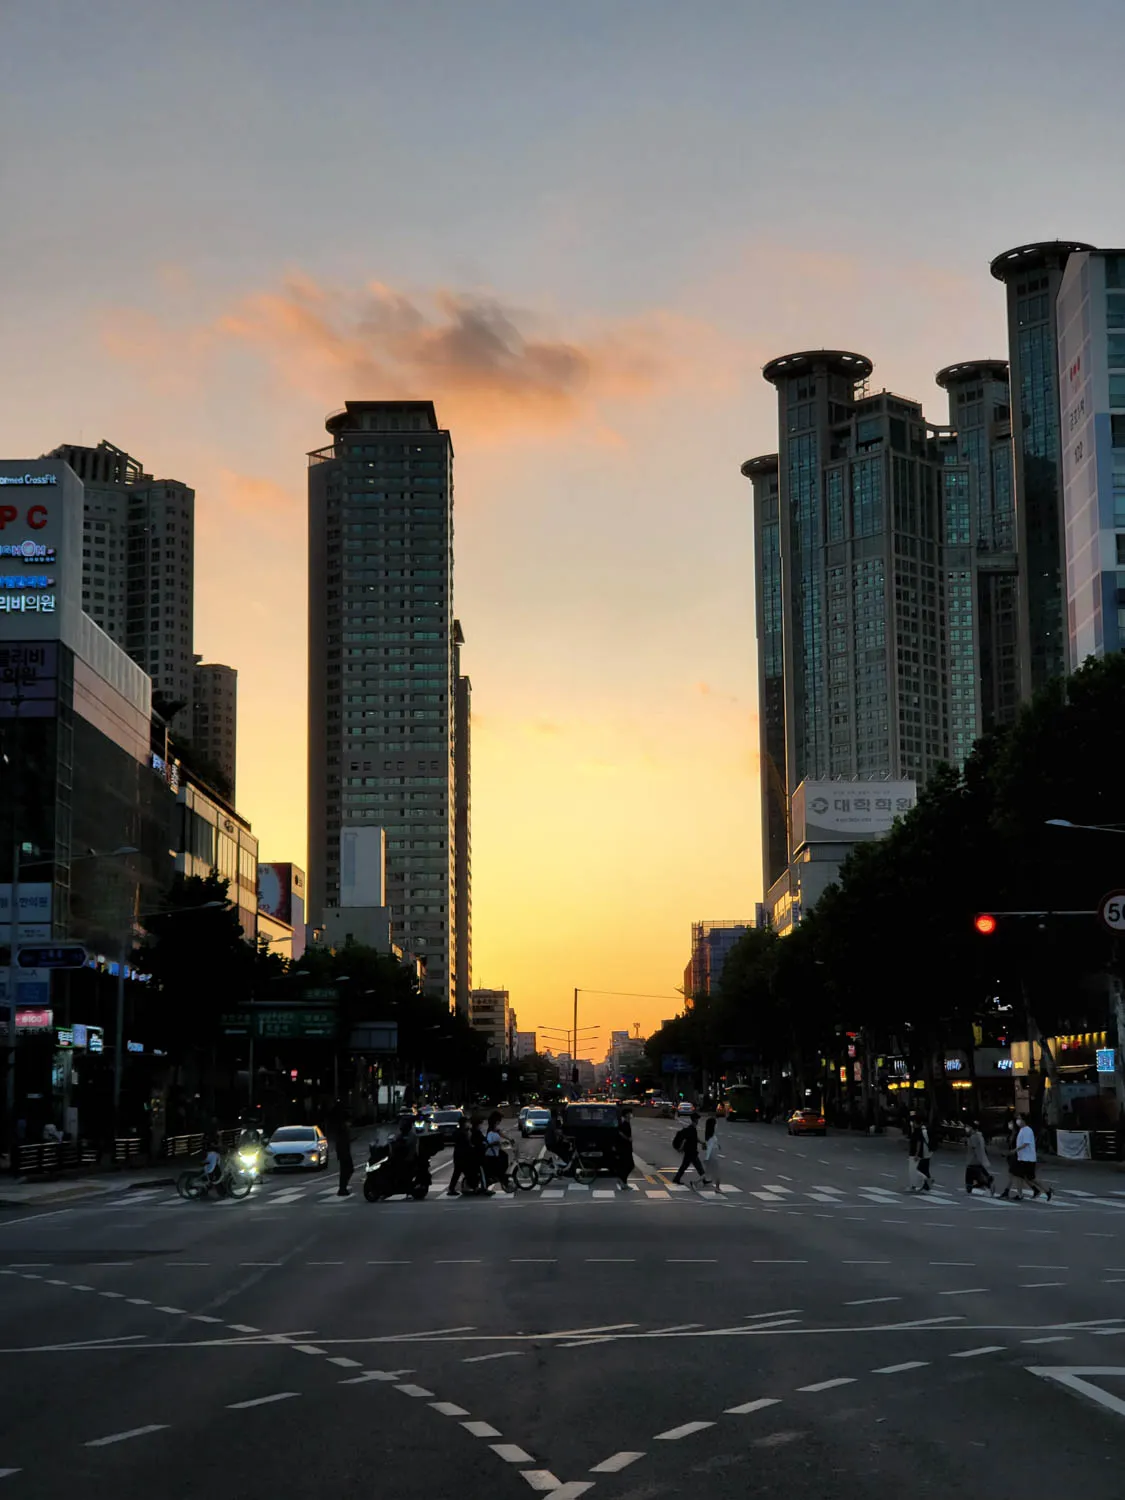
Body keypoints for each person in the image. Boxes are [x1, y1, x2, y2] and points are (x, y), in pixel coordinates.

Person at [1002, 1113, 1053, 1201]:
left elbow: (1025, 1143)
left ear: (1024, 1120)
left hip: (1027, 1158)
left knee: (1029, 1177)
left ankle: (1046, 1191)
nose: (1017, 1121)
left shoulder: (1027, 1130)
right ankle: (1043, 1191)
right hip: (1022, 1158)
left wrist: (1015, 1150)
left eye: (1019, 1119)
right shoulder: (1022, 1130)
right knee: (1022, 1176)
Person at [448, 1118, 485, 1196]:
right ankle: (474, 1187)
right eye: (467, 1123)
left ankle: (452, 1188)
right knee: (467, 1172)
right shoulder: (461, 1133)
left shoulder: (461, 1132)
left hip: (460, 1155)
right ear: (463, 1124)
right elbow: (466, 1143)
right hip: (462, 1156)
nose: (468, 1124)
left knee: (459, 1173)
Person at [672, 1110, 705, 1184]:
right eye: (697, 1119)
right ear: (695, 1119)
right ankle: (703, 1179)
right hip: (690, 1151)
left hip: (691, 1151)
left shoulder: (693, 1128)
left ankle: (677, 1178)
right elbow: (685, 1140)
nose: (698, 1120)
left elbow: (695, 1138)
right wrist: (681, 1148)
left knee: (693, 1166)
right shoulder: (691, 1129)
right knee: (694, 1165)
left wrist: (701, 1142)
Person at [483, 1110, 512, 1192]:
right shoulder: (491, 1128)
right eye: (499, 1120)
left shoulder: (494, 1127)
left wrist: (509, 1139)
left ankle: (500, 1176)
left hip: (495, 1149)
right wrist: (500, 1142)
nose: (500, 1122)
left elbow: (500, 1133)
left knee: (504, 1157)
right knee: (502, 1160)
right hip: (491, 1151)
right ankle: (499, 1177)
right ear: (496, 1120)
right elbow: (492, 1140)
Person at [965, 1120, 994, 1195]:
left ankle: (987, 1182)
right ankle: (987, 1179)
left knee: (971, 1177)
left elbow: (974, 1148)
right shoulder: (979, 1136)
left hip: (973, 1160)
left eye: (968, 1127)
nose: (966, 1128)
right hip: (976, 1160)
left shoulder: (973, 1137)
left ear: (971, 1128)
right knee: (977, 1175)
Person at [908, 1113, 932, 1192]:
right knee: (919, 1170)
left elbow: (918, 1143)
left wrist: (916, 1154)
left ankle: (924, 1180)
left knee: (914, 1170)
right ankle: (925, 1184)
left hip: (916, 1153)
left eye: (913, 1122)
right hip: (922, 1154)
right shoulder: (920, 1130)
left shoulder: (918, 1132)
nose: (912, 1124)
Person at [334, 1113, 355, 1197]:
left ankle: (343, 1187)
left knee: (346, 1170)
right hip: (344, 1154)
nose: (350, 1124)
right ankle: (342, 1188)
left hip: (344, 1153)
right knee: (347, 1170)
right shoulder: (343, 1129)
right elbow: (341, 1142)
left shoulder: (343, 1129)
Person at [701, 1114, 722, 1192]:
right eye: (715, 1124)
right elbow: (709, 1148)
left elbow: (711, 1145)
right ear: (713, 1126)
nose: (717, 1125)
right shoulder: (711, 1137)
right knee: (717, 1173)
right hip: (712, 1158)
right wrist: (706, 1159)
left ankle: (695, 1183)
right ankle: (717, 1188)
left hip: (712, 1157)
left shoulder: (711, 1135)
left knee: (708, 1173)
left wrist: (717, 1145)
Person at [616, 1108, 635, 1190]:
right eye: (630, 1113)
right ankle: (622, 1180)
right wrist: (628, 1138)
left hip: (627, 1148)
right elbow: (619, 1133)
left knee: (627, 1165)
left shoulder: (627, 1123)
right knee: (629, 1165)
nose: (631, 1115)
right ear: (626, 1114)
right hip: (624, 1148)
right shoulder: (624, 1124)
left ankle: (623, 1181)